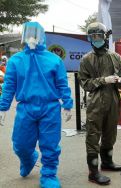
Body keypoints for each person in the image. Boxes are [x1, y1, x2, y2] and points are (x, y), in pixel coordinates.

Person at [0, 21, 73, 188]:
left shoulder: (53, 60)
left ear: (42, 36)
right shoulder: (16, 60)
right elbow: (9, 85)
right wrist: (3, 107)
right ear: (23, 36)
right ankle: (28, 159)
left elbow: (62, 83)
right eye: (28, 34)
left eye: (35, 34)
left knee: (50, 144)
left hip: (50, 108)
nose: (31, 38)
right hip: (26, 107)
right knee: (20, 144)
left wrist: (67, 104)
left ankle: (48, 174)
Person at [78, 22, 121, 185]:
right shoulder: (86, 59)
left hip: (113, 100)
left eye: (99, 36)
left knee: (110, 134)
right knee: (93, 136)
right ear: (89, 39)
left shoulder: (116, 57)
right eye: (93, 37)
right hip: (96, 103)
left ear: (105, 37)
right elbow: (84, 83)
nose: (96, 39)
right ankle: (93, 172)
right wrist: (102, 80)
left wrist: (120, 81)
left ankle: (107, 162)